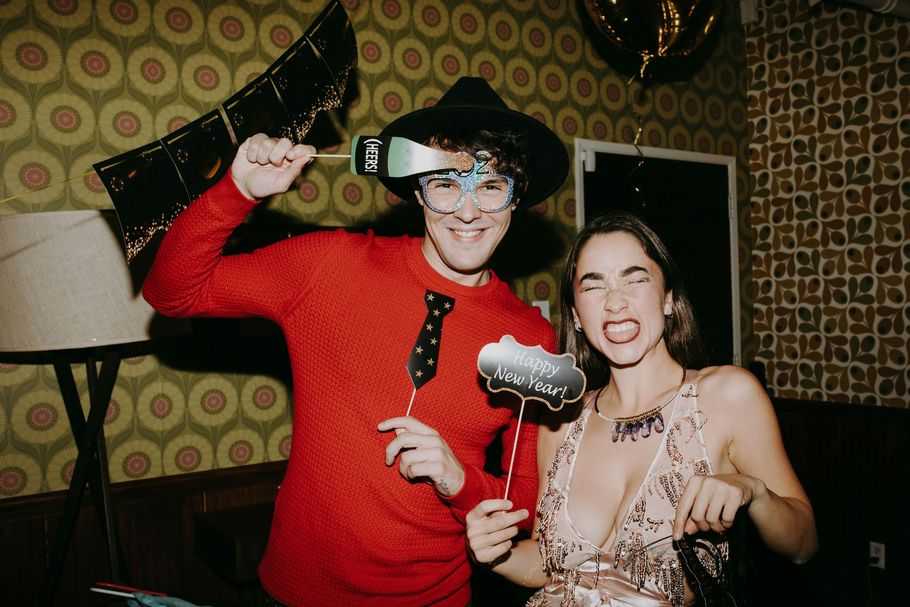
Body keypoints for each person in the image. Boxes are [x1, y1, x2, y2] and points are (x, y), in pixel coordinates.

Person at [142, 77, 569, 607]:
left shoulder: (531, 336)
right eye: (444, 183)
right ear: (417, 190)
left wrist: (459, 481)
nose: (466, 210)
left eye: (490, 186)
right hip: (297, 592)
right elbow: (172, 294)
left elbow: (523, 498)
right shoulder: (330, 264)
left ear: (516, 198)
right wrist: (237, 192)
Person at [465, 211, 818, 606]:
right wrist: (497, 553)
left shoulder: (727, 396)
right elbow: (547, 566)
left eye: (634, 279)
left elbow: (802, 545)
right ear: (578, 316)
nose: (615, 302)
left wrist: (754, 492)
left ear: (668, 299)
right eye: (593, 286)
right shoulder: (561, 420)